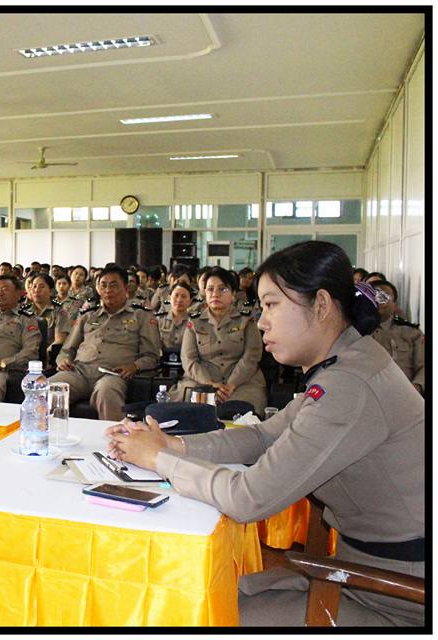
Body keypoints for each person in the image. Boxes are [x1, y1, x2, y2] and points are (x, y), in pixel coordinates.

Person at [106, 240, 424, 627]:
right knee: (196, 592)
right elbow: (264, 437)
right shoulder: (346, 363)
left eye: (272, 305)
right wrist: (174, 444)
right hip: (361, 573)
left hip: (396, 595)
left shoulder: (349, 386)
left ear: (321, 305)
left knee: (192, 614)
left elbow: (247, 498)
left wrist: (159, 459)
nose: (261, 321)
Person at [49, 267, 161, 421]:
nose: (108, 290)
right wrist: (62, 360)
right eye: (103, 285)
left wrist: (134, 366)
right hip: (80, 372)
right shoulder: (88, 315)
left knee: (107, 392)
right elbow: (67, 349)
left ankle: (114, 441)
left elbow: (152, 356)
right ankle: (47, 438)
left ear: (126, 287)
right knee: (51, 388)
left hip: (114, 374)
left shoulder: (141, 315)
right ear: (97, 288)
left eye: (114, 285)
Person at [168, 267, 267, 414]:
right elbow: (189, 359)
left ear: (233, 294)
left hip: (242, 382)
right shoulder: (195, 321)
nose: (215, 294)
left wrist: (230, 385)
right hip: (201, 381)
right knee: (184, 411)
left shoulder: (246, 320)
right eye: (210, 289)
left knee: (244, 412)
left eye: (223, 289)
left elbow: (251, 357)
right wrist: (210, 384)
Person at [370, 280, 424, 395]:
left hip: (407, 396)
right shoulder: (356, 332)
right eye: (375, 296)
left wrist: (417, 387)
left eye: (385, 296)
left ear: (395, 304)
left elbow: (423, 366)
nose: (380, 301)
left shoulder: (412, 333)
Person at [24, 273, 70, 349]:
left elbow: (59, 341)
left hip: (48, 354)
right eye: (34, 286)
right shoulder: (25, 311)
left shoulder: (59, 311)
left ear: (51, 291)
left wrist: (43, 355)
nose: (36, 290)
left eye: (42, 287)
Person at [154, 282, 196, 364]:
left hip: (188, 365)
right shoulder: (159, 319)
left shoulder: (195, 321)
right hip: (162, 363)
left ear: (190, 301)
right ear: (169, 298)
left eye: (183, 297)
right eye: (176, 295)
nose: (179, 300)